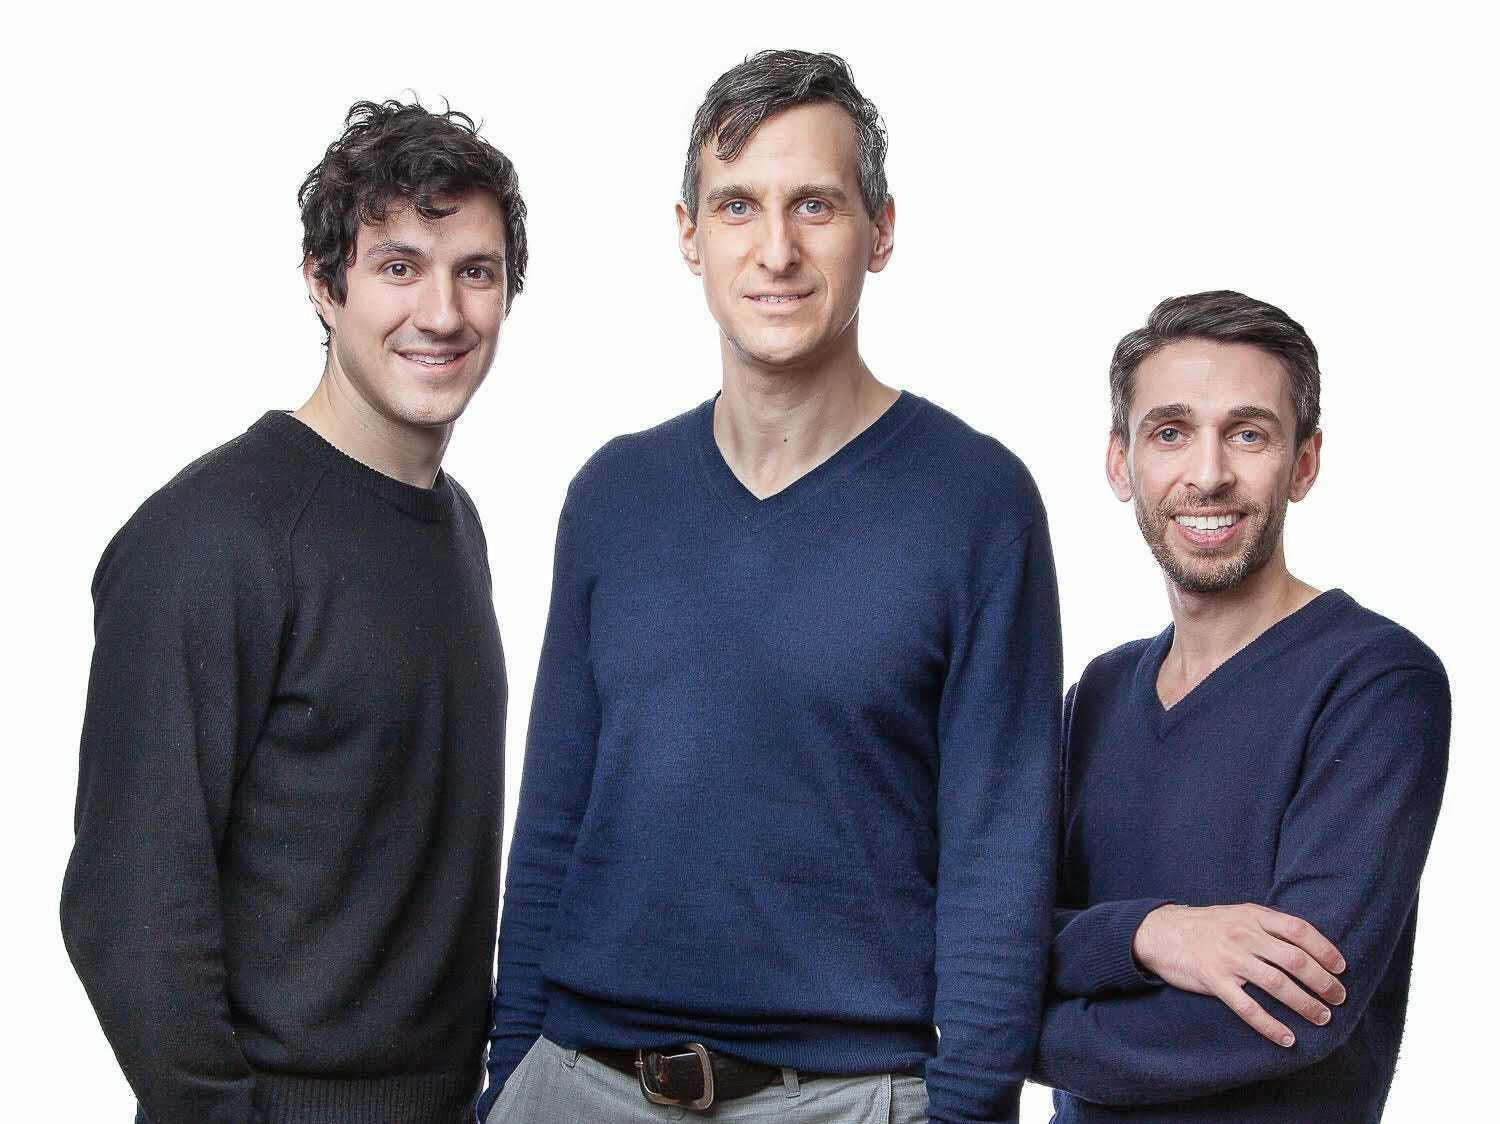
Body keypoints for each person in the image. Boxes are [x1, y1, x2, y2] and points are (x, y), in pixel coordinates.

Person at [480, 50, 1061, 1124]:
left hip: (843, 1095)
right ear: (689, 234)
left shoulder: (978, 503)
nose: (777, 249)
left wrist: (970, 1112)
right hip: (576, 1082)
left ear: (881, 230)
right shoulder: (613, 496)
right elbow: (552, 816)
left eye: (816, 205)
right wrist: (509, 1076)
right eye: (738, 205)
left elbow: (1000, 855)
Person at [60, 98, 526, 1124]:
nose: (442, 313)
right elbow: (129, 907)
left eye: (476, 272)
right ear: (322, 283)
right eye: (398, 267)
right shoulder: (210, 538)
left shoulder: (456, 526)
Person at [1032, 291, 1450, 1121]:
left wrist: (1004, 1034)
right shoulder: (1099, 695)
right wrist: (1152, 934)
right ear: (1120, 462)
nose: (1209, 474)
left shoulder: (1375, 681)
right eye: (1170, 432)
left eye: (1248, 434)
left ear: (1304, 462)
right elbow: (1001, 938)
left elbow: (1290, 1011)